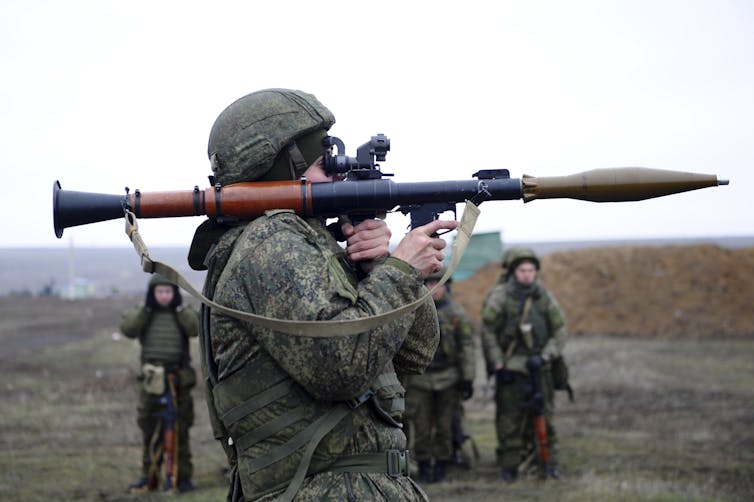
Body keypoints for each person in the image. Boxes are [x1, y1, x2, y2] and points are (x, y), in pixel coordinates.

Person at [187, 88, 457, 501]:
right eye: (323, 163)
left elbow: (414, 354)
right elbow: (341, 366)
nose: (338, 174)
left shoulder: (311, 244)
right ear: (280, 169)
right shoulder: (270, 243)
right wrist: (401, 271)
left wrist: (378, 266)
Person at [480, 247, 567, 482]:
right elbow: (487, 330)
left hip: (539, 368)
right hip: (511, 371)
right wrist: (498, 362)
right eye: (522, 270)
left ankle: (548, 464)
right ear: (513, 272)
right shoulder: (500, 297)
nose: (527, 274)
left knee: (545, 417)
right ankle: (509, 467)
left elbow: (560, 330)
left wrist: (546, 356)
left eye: (531, 270)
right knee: (509, 421)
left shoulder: (544, 297)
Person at [120, 274, 200, 493]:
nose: (164, 296)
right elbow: (128, 329)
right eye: (159, 292)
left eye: (168, 291)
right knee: (150, 430)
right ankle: (150, 476)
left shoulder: (181, 314)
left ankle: (182, 478)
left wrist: (181, 310)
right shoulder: (145, 314)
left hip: (178, 382)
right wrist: (145, 310)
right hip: (152, 382)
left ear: (174, 293)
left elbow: (195, 329)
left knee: (180, 430)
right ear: (152, 294)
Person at [405, 268, 475, 483]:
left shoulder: (456, 314)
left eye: (439, 283)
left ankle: (443, 465)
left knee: (445, 426)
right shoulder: (412, 312)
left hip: (448, 378)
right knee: (422, 427)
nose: (434, 288)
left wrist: (467, 378)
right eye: (428, 284)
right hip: (419, 380)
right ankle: (425, 466)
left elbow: (466, 347)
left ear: (446, 286)